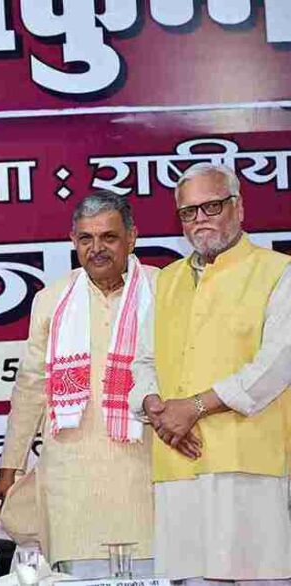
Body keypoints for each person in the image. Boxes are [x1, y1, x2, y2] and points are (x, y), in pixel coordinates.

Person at [130, 163, 291, 583]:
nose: (200, 219)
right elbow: (143, 361)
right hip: (178, 464)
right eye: (189, 212)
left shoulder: (278, 272)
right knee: (192, 577)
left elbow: (275, 366)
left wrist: (194, 408)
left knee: (260, 575)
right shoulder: (166, 280)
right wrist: (156, 409)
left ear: (239, 207)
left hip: (247, 465)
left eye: (212, 206)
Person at [0, 191, 157, 577]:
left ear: (132, 237)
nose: (97, 249)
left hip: (144, 472)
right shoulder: (53, 300)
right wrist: (9, 467)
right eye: (86, 239)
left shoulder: (161, 290)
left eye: (109, 237)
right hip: (72, 479)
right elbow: (30, 388)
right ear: (73, 241)